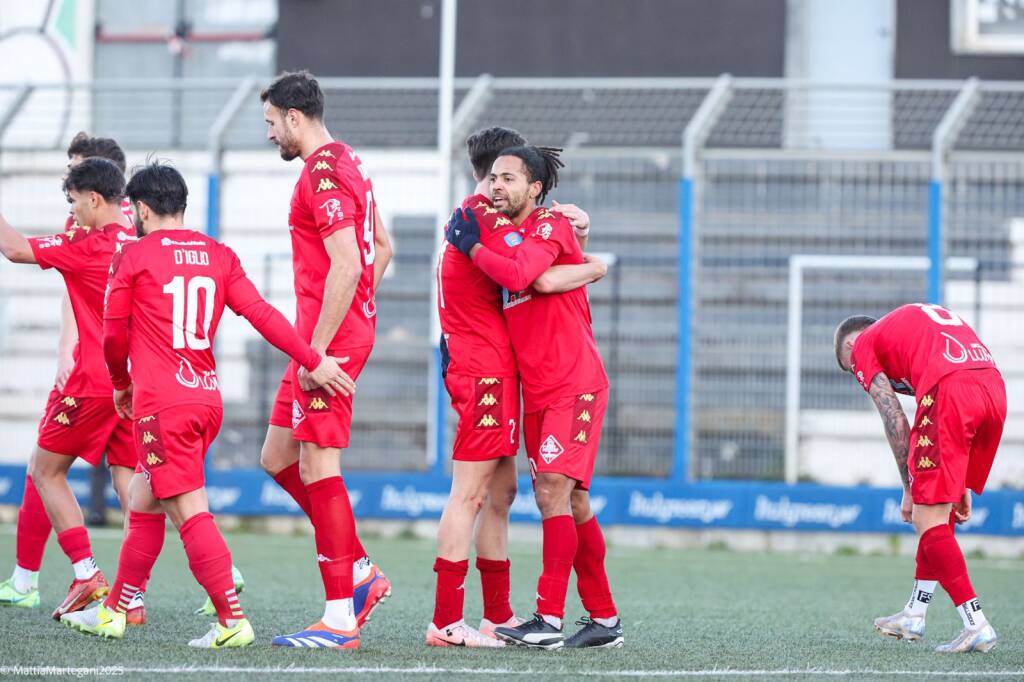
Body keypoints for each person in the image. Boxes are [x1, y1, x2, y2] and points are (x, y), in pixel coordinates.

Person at [60, 160, 353, 648]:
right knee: (143, 496)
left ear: (143, 209)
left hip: (162, 403)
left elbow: (113, 337)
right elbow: (261, 313)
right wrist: (311, 357)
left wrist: (120, 382)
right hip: (204, 398)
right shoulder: (218, 253)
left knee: (190, 508)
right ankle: (115, 610)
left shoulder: (132, 257)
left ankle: (231, 620)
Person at [429, 127, 606, 647]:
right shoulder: (482, 218)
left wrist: (582, 241)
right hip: (486, 370)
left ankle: (501, 616)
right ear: (489, 179)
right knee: (473, 494)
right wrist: (591, 264)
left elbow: (543, 259)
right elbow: (527, 273)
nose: (505, 184)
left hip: (503, 370)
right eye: (500, 175)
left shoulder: (494, 219)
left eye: (516, 176)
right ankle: (446, 621)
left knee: (503, 494)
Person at [259, 70, 393, 649]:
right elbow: (381, 249)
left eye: (270, 123)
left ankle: (339, 617)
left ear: (294, 116)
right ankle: (359, 569)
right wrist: (356, 313)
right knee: (277, 455)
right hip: (321, 336)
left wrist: (322, 348)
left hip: (323, 342)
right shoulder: (351, 161)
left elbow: (347, 263)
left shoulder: (319, 171)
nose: (269, 135)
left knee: (320, 467)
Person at [0, 158, 138, 621]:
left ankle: (85, 573)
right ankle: (132, 597)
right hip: (133, 385)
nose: (72, 211)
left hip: (92, 384)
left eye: (74, 201)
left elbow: (15, 248)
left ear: (94, 198)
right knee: (132, 486)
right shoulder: (136, 241)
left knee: (44, 470)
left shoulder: (89, 244)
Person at [834, 303, 1005, 653]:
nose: (858, 374)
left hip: (953, 392)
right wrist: (955, 480)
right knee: (938, 512)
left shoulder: (864, 346)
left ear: (851, 348)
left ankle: (976, 624)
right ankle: (915, 613)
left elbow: (894, 417)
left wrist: (908, 486)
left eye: (851, 369)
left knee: (924, 514)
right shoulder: (912, 327)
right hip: (993, 389)